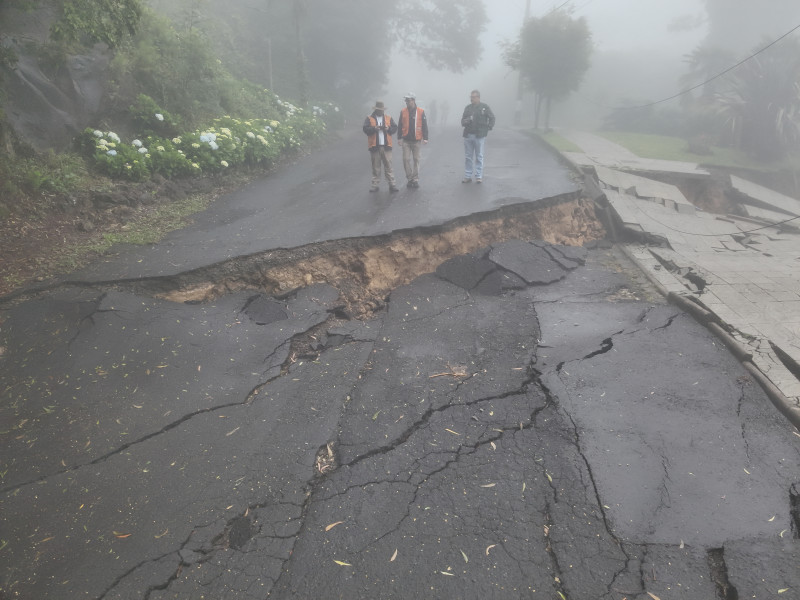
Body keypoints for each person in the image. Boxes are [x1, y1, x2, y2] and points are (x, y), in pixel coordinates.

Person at [362, 100, 399, 193]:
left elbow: (395, 128)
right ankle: (375, 185)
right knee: (376, 167)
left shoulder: (388, 117)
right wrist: (374, 128)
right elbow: (365, 129)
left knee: (388, 166)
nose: (381, 111)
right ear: (376, 109)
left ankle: (392, 184)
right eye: (379, 109)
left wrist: (388, 129)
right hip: (375, 146)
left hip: (387, 146)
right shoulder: (369, 118)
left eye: (382, 109)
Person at [460, 89, 495, 183]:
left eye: (473, 97)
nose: (471, 99)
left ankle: (479, 176)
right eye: (471, 97)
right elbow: (462, 121)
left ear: (478, 97)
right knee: (468, 157)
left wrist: (489, 127)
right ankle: (468, 176)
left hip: (479, 136)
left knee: (479, 156)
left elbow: (492, 117)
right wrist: (467, 120)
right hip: (468, 135)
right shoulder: (468, 108)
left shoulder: (484, 107)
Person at [397, 92, 428, 189]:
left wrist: (425, 138)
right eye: (406, 100)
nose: (406, 102)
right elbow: (400, 125)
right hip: (406, 140)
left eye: (408, 100)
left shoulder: (421, 111)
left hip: (416, 140)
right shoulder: (403, 111)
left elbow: (424, 125)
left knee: (416, 159)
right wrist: (399, 137)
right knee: (405, 159)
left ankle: (415, 179)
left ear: (413, 100)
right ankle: (409, 178)